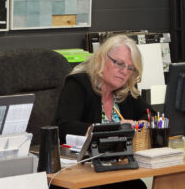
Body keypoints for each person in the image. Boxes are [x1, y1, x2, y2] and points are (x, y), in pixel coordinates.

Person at [54, 35, 151, 189]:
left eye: (130, 68)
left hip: (114, 169)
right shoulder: (79, 84)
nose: (124, 72)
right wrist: (102, 130)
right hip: (81, 171)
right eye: (119, 63)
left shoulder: (125, 90)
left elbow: (148, 113)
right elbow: (64, 126)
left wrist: (141, 123)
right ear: (102, 58)